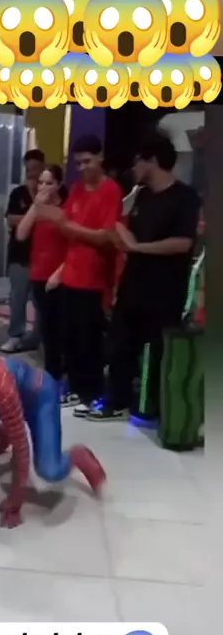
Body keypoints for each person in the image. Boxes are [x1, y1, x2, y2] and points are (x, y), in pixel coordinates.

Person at [87, 130, 201, 421]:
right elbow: (127, 231)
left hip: (165, 289)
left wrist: (140, 248)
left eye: (138, 160)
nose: (133, 167)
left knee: (157, 349)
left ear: (152, 160)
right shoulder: (141, 196)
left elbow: (183, 242)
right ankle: (116, 401)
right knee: (120, 345)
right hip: (133, 285)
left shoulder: (185, 198)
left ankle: (152, 405)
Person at [0, 356, 106, 494]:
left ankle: (77, 455)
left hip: (39, 397)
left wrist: (14, 501)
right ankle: (2, 433)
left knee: (49, 471)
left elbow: (21, 448)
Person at [46, 136, 123, 413]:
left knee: (89, 339)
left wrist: (69, 227)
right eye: (78, 163)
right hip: (71, 274)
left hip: (94, 278)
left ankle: (91, 393)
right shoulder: (77, 189)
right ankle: (75, 388)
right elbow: (65, 226)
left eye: (87, 161)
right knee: (70, 337)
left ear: (100, 157)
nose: (82, 168)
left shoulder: (111, 191)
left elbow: (105, 237)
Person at [16, 164, 68, 381]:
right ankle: (51, 374)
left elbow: (73, 244)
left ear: (59, 185)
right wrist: (35, 207)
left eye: (49, 183)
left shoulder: (65, 209)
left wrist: (60, 272)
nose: (44, 187)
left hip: (61, 276)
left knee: (60, 329)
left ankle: (60, 375)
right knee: (46, 328)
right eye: (41, 183)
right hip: (39, 274)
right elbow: (21, 234)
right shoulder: (37, 209)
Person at [0, 148, 45, 354]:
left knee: (41, 302)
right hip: (19, 256)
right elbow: (11, 220)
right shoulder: (17, 193)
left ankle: (37, 337)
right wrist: (34, 215)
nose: (32, 173)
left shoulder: (52, 194)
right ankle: (15, 335)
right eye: (28, 169)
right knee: (17, 298)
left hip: (43, 258)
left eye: (36, 168)